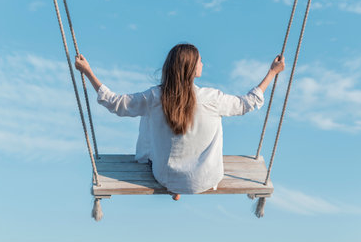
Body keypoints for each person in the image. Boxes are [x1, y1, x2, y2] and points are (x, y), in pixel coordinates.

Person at [75, 43, 285, 201]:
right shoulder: (211, 98)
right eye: (200, 60)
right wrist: (272, 72)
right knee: (212, 119)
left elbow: (116, 104)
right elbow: (246, 103)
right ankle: (184, 177)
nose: (203, 63)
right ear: (192, 67)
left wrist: (88, 72)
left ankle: (176, 184)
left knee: (149, 117)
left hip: (166, 177)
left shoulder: (155, 97)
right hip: (206, 179)